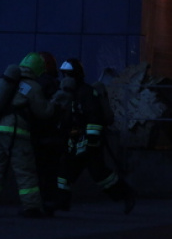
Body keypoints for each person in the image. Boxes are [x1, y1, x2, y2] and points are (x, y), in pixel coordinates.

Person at [0, 52, 61, 218]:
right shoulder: (32, 86)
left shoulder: (3, 81)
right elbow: (44, 112)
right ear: (38, 70)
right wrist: (55, 104)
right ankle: (31, 208)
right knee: (25, 172)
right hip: (17, 133)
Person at [55, 58, 135, 215]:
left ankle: (127, 194)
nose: (66, 78)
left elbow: (94, 117)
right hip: (75, 142)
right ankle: (60, 203)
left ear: (76, 75)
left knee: (100, 175)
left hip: (88, 142)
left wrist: (91, 140)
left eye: (69, 74)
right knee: (64, 173)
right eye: (64, 74)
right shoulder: (68, 93)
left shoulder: (86, 92)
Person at [33, 51, 66, 215]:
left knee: (40, 172)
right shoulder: (56, 84)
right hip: (55, 137)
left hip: (41, 136)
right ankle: (51, 203)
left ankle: (41, 204)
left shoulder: (37, 84)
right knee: (51, 172)